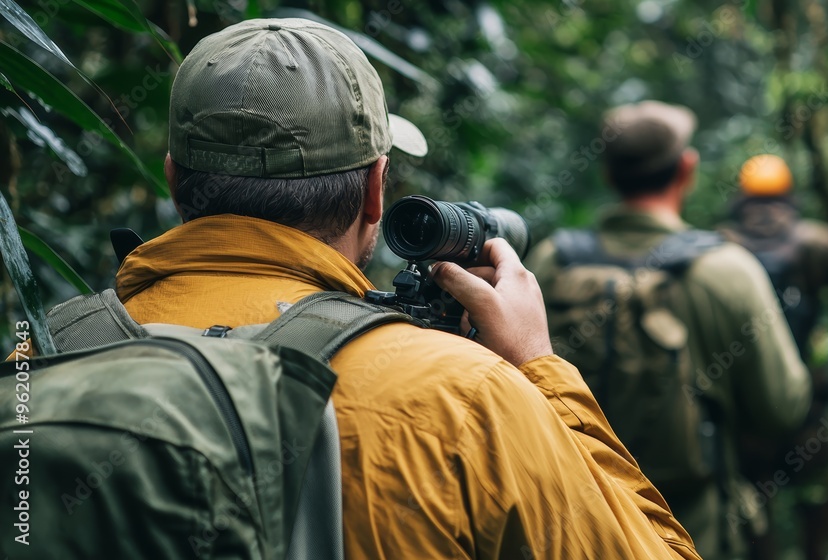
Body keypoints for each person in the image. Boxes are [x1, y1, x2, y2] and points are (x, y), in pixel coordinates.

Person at [112, 19, 700, 559]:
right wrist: (537, 367)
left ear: (172, 179)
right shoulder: (468, 401)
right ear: (376, 188)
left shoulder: (42, 356)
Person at [525, 101, 811, 559]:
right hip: (691, 534)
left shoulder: (550, 262)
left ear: (608, 174)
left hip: (564, 532)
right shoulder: (728, 270)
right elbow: (781, 408)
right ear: (687, 169)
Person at [718, 154, 828, 560]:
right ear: (789, 194)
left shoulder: (723, 244)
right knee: (817, 496)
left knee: (755, 501)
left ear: (742, 195)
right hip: (808, 399)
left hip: (746, 403)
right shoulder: (818, 242)